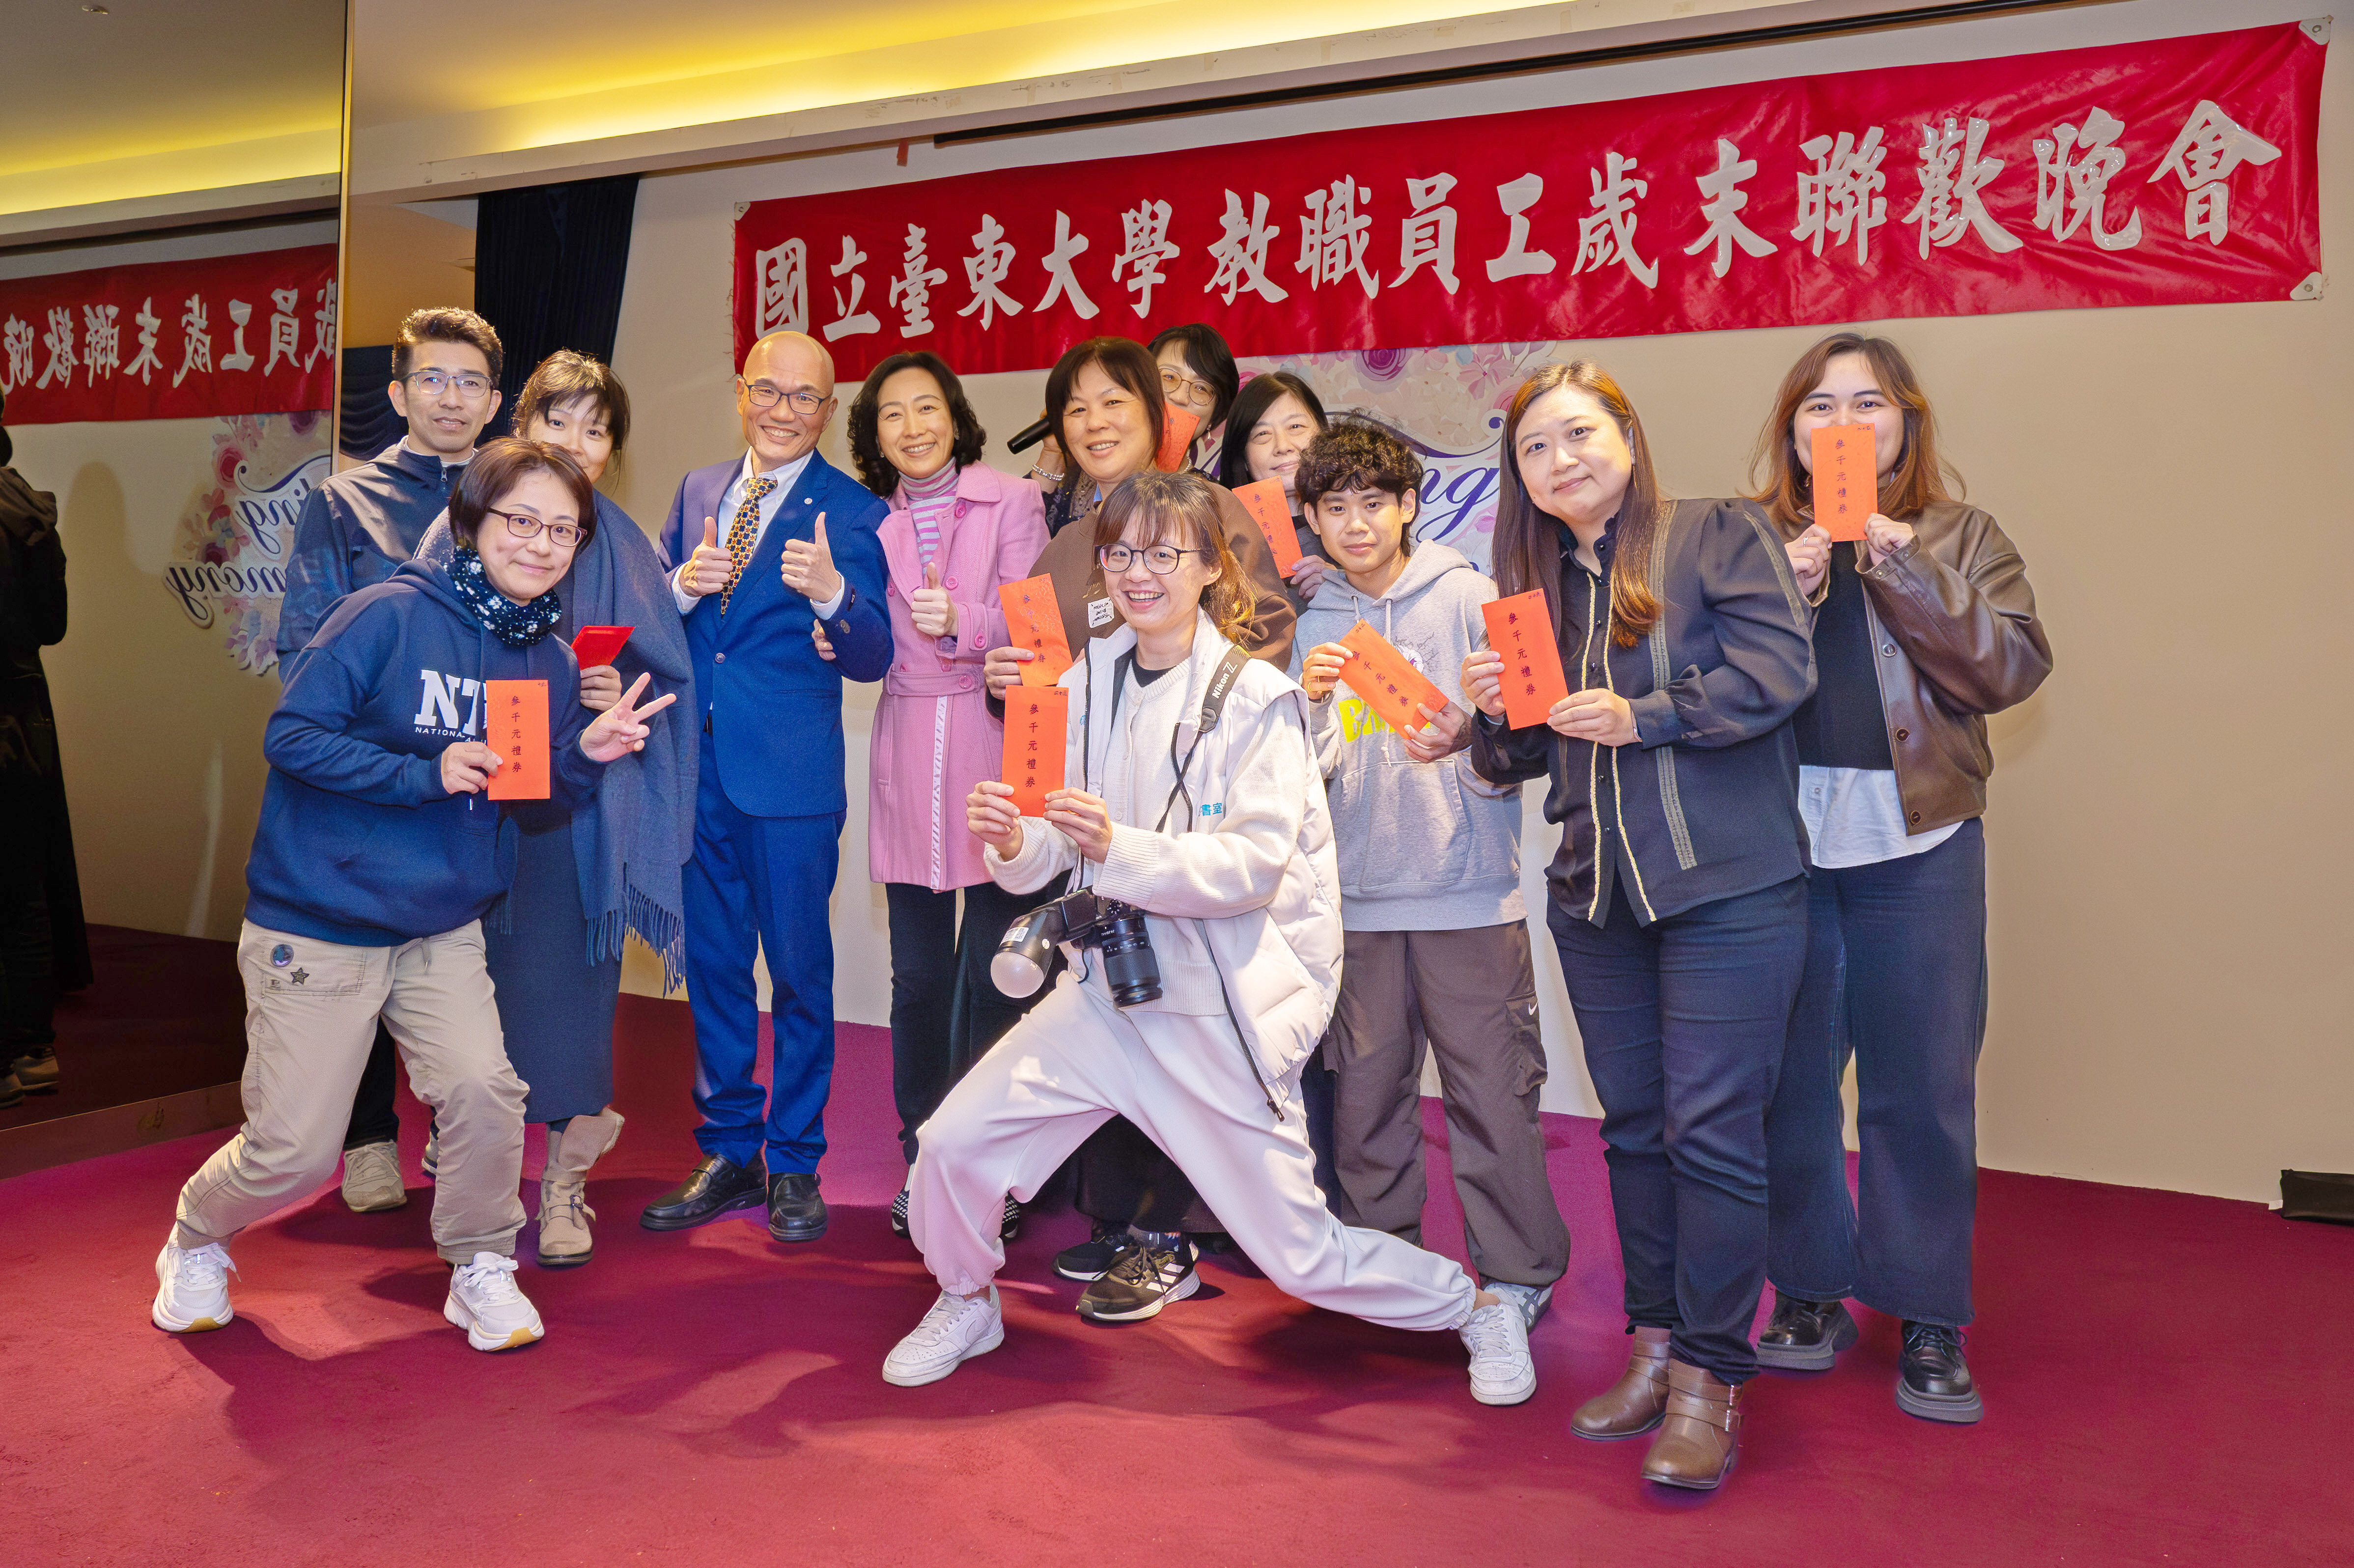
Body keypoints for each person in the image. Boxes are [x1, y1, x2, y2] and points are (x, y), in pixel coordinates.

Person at [881, 468, 1536, 1408]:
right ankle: (965, 1295)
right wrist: (1016, 842)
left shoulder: (1257, 696)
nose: (1138, 572)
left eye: (1163, 553)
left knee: (1304, 1256)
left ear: (1210, 568)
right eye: (1120, 553)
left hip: (1211, 1013)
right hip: (1101, 998)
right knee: (950, 1144)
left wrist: (1114, 845)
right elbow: (1049, 857)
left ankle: (1474, 1307)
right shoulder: (1080, 681)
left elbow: (1251, 869)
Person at [151, 440, 678, 1351]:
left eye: (563, 531)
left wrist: (585, 759)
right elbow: (293, 736)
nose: (542, 544)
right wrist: (421, 774)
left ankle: (481, 1262)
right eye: (522, 521)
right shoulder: (385, 616)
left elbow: (528, 796)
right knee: (295, 1153)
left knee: (486, 1091)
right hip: (323, 920)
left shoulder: (545, 660)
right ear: (471, 522)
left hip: (441, 924)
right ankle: (196, 1235)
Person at [1462, 362, 1814, 1492]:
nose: (1558, 459)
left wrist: (1644, 714)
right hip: (1595, 898)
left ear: (1625, 435)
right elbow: (1523, 754)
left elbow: (1778, 672)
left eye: (1577, 434)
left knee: (1712, 1134)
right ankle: (1654, 1348)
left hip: (1728, 891)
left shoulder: (1715, 535)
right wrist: (1489, 716)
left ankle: (1711, 1377)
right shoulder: (1526, 592)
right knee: (1634, 1132)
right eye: (1533, 447)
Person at [1751, 334, 2051, 1424]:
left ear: (1904, 423)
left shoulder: (1961, 535)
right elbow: (1698, 684)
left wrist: (1895, 559)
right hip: (1780, 850)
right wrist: (1780, 594)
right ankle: (1807, 1288)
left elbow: (2007, 668)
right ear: (1791, 433)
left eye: (1865, 402)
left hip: (1919, 846)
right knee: (1785, 1086)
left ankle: (1925, 1310)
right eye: (1817, 405)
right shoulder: (1749, 541)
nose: (1841, 422)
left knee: (1921, 1090)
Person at [979, 336, 1294, 1318]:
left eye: (1112, 401)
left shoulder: (1214, 514)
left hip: (1190, 820)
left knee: (1185, 1022)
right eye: (1073, 408)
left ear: (1160, 413)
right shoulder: (1063, 547)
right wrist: (1004, 684)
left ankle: (1173, 1234)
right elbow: (1041, 695)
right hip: (1094, 831)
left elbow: (1267, 634)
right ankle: (1120, 1218)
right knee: (1112, 1010)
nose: (1093, 423)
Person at [410, 351, 699, 1268]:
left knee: (574, 1000)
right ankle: (476, 1170)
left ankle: (563, 1185)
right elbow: (416, 644)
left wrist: (613, 690)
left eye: (597, 428)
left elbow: (667, 673)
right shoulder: (464, 523)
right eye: (558, 420)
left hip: (577, 815)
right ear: (522, 428)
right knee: (473, 1000)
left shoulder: (624, 544)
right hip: (471, 806)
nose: (576, 442)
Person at [1288, 422, 1569, 1331]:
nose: (1356, 523)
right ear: (1311, 519)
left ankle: (1519, 1276)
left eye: (1374, 503)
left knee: (1494, 1094)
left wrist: (1475, 728)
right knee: (1366, 1099)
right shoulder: (1314, 626)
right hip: (1357, 903)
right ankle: (1386, 1270)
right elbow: (1301, 775)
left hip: (1468, 894)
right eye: (1335, 507)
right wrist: (1314, 704)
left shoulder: (1473, 597)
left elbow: (1529, 743)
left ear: (1409, 505)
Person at [639, 331, 890, 1247]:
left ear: (828, 412)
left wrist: (831, 596)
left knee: (799, 975)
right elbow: (649, 619)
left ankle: (794, 1161)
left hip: (788, 785)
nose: (784, 410)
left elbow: (873, 654)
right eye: (768, 391)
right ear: (741, 394)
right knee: (713, 971)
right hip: (694, 772)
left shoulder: (853, 511)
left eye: (805, 397)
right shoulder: (698, 490)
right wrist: (678, 587)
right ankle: (729, 1150)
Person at [281, 305, 507, 1215]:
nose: (451, 398)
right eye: (433, 379)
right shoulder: (344, 501)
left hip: (488, 781)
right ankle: (369, 1136)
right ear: (399, 394)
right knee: (366, 965)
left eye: (469, 382)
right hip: (376, 785)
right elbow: (304, 651)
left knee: (470, 978)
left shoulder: (516, 499)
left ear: (494, 400)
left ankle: (461, 1140)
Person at [836, 351, 1046, 1239]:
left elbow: (1037, 625)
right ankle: (923, 1151)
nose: (913, 426)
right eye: (893, 413)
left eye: (928, 407)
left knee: (995, 973)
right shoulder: (865, 517)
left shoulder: (1013, 499)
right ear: (874, 434)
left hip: (992, 739)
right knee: (918, 978)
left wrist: (967, 622)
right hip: (904, 739)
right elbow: (861, 632)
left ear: (956, 417)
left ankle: (993, 1165)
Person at [0, 394, 88, 1107]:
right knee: (23, 891)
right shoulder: (29, 507)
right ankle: (32, 1049)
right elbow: (52, 626)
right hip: (24, 720)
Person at [1215, 370, 1334, 604]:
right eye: (1262, 434)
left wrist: (1341, 583)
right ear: (1243, 457)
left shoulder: (1356, 518)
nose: (1283, 446)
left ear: (1323, 434)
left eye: (1296, 427)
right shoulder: (1219, 536)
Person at [1147, 324, 1238, 470]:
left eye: (1201, 389)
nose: (1180, 398)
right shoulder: (1107, 471)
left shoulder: (1210, 488)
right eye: (1169, 377)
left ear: (1214, 416)